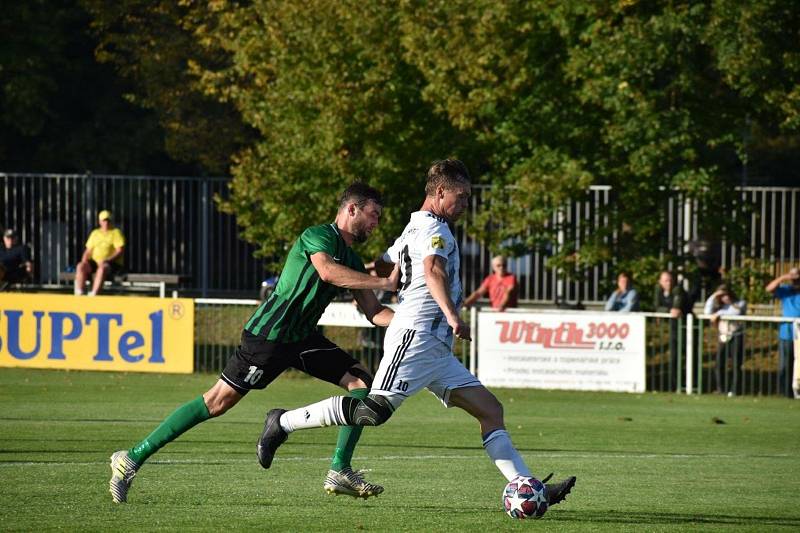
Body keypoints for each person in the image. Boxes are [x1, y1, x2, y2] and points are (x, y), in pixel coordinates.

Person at [256, 159, 576, 510]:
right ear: (440, 192)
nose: (466, 204)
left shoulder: (414, 227)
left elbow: (384, 262)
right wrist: (453, 315)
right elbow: (432, 269)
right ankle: (282, 421)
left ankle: (527, 487)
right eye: (462, 196)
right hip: (415, 337)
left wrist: (361, 276)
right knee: (373, 411)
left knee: (490, 411)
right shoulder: (433, 230)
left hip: (436, 349)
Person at [108, 183, 400, 503]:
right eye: (373, 215)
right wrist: (384, 281)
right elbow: (328, 273)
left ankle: (340, 468)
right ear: (352, 210)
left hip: (302, 337)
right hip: (269, 336)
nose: (376, 223)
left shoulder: (354, 262)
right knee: (217, 402)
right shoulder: (318, 235)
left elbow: (374, 312)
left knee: (361, 381)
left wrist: (412, 322)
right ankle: (130, 459)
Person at [703, 285, 746, 396]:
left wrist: (718, 314)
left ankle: (735, 390)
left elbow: (736, 312)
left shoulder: (740, 303)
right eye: (722, 296)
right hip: (723, 336)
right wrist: (714, 295)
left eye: (725, 295)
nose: (724, 298)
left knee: (736, 364)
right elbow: (707, 311)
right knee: (719, 363)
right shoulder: (719, 306)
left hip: (736, 335)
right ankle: (720, 389)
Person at [766, 267, 800, 398]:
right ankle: (785, 393)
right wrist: (783, 278)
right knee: (785, 365)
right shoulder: (786, 291)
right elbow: (769, 289)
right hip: (787, 333)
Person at [653, 271, 690, 391]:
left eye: (669, 280)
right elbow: (657, 307)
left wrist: (670, 310)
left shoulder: (677, 290)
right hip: (674, 328)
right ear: (660, 282)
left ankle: (688, 384)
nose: (668, 283)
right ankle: (675, 385)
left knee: (687, 356)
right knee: (674, 357)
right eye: (665, 280)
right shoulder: (658, 290)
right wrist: (669, 311)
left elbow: (677, 307)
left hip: (686, 327)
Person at [74, 210, 125, 296]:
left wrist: (107, 260)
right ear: (100, 221)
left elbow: (120, 251)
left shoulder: (116, 233)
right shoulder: (95, 233)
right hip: (95, 263)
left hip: (111, 263)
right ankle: (79, 293)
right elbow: (88, 251)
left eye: (108, 220)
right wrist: (84, 261)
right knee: (80, 266)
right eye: (104, 220)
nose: (106, 222)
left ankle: (94, 294)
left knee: (102, 267)